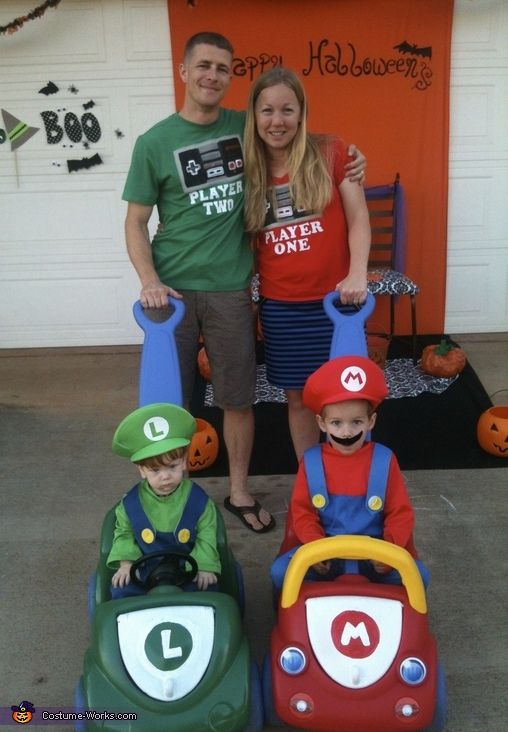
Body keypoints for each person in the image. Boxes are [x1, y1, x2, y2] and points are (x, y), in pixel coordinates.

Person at [123, 32, 366, 533]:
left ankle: (237, 491)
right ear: (184, 72)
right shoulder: (154, 142)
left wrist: (352, 157)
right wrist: (148, 279)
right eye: (204, 66)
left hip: (232, 290)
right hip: (170, 292)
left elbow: (301, 134)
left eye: (222, 69)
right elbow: (135, 221)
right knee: (168, 402)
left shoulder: (246, 126)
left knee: (238, 398)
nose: (213, 76)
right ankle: (166, 499)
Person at [244, 67, 371, 462]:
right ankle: (311, 474)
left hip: (337, 305)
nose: (277, 120)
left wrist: (357, 273)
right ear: (255, 115)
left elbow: (358, 220)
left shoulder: (332, 152)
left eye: (287, 109)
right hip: (283, 307)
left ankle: (348, 474)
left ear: (301, 113)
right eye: (267, 111)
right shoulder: (246, 169)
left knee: (347, 398)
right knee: (299, 399)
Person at [271, 355, 429, 591]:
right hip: (324, 552)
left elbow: (400, 513)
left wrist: (389, 549)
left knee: (418, 576)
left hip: (376, 554)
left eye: (356, 422)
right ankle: (290, 616)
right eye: (336, 423)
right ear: (322, 424)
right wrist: (315, 547)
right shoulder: (311, 462)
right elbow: (302, 513)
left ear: (371, 421)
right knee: (281, 573)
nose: (346, 432)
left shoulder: (385, 460)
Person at [107, 403, 220, 598]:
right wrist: (126, 565)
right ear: (142, 470)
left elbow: (207, 535)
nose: (165, 476)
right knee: (120, 590)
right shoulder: (130, 505)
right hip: (144, 570)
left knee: (209, 588)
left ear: (184, 461)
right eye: (155, 470)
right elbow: (124, 534)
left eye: (172, 467)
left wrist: (204, 566)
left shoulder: (199, 502)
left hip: (188, 568)